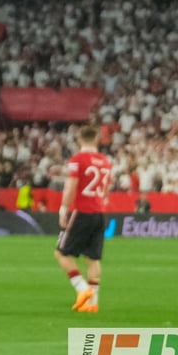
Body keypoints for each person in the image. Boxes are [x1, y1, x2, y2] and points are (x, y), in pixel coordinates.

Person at [56, 125, 113, 313]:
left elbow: (71, 185)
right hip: (100, 213)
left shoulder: (77, 160)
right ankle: (93, 303)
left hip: (82, 211)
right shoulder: (105, 161)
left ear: (79, 140)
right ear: (97, 140)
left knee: (61, 253)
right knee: (93, 258)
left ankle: (82, 289)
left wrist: (64, 208)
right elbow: (107, 189)